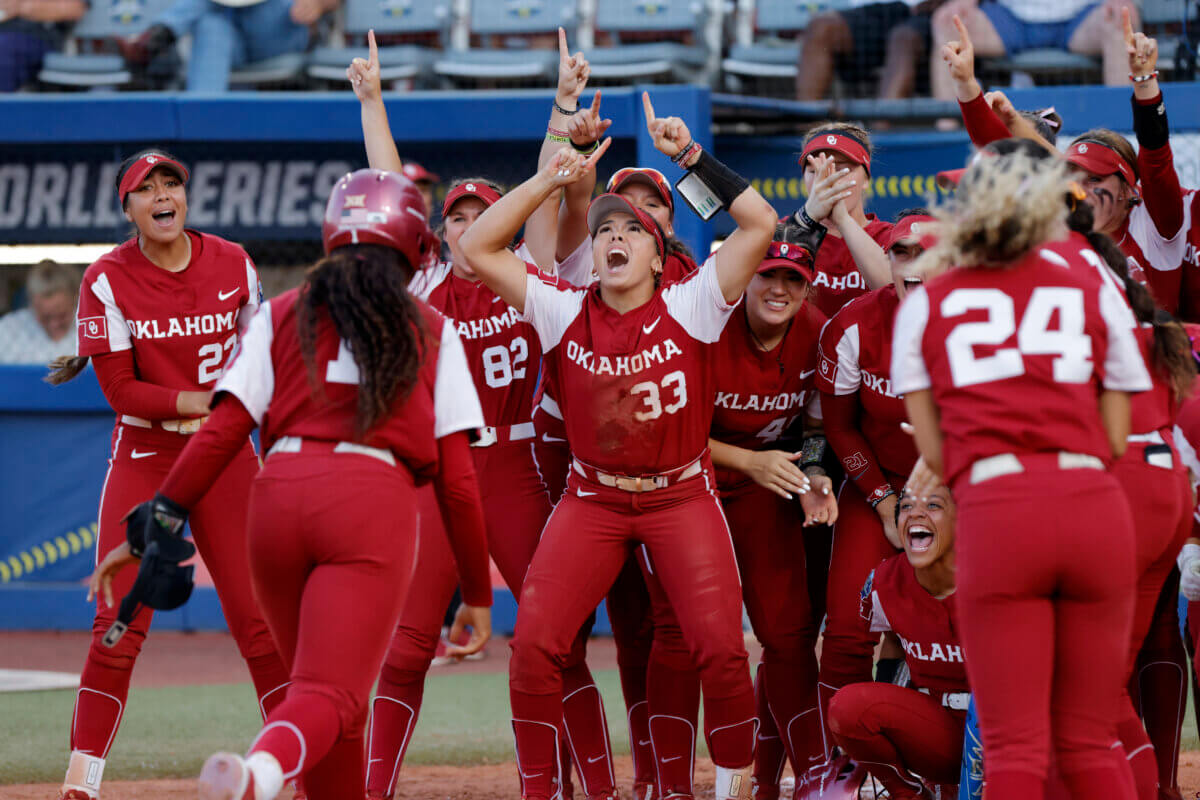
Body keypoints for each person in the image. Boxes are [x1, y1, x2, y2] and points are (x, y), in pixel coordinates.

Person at [88, 169, 493, 800]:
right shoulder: (431, 326)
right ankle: (262, 773)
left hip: (275, 499)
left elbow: (221, 432)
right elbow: (461, 485)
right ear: (417, 244)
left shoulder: (281, 311)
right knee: (331, 692)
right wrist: (476, 592)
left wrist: (159, 519)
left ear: (333, 235)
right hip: (368, 501)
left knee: (327, 697)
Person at [460, 92, 778, 800]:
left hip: (680, 495)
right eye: (603, 228)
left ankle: (727, 787)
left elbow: (760, 223)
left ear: (658, 253)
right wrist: (550, 177)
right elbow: (475, 246)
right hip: (594, 499)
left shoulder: (693, 303)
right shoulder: (563, 306)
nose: (612, 238)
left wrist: (690, 156)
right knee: (534, 649)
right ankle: (541, 791)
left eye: (629, 230)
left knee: (723, 653)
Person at [346, 36, 617, 800]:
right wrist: (373, 103)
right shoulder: (421, 281)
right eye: (458, 215)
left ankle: (590, 788)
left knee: (552, 647)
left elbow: (548, 186)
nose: (468, 224)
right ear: (438, 229)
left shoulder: (526, 274)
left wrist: (562, 107)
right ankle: (372, 789)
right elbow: (388, 182)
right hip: (440, 471)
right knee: (402, 649)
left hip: (519, 467)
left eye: (481, 211)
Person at [893, 148, 1151, 799]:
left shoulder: (930, 299)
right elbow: (1117, 432)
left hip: (999, 509)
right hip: (1094, 502)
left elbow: (936, 451)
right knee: (1090, 739)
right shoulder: (1089, 275)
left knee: (1013, 749)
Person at [45, 150, 289, 800]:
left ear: (185, 196)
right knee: (119, 622)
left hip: (228, 457)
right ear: (127, 209)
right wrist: (208, 401)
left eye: (171, 183)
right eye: (144, 188)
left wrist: (234, 410)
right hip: (148, 458)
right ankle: (82, 782)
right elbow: (122, 391)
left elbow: (263, 353)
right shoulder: (106, 276)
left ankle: (298, 767)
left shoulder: (233, 261)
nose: (161, 194)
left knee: (260, 623)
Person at [1049, 196, 1196, 800]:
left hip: (1121, 490)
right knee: (1102, 683)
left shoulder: (1063, 315)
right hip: (1166, 490)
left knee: (1079, 685)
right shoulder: (1162, 328)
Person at [812, 210, 931, 778]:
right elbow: (838, 426)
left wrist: (937, 502)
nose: (916, 264)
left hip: (956, 489)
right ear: (887, 261)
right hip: (875, 486)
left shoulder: (977, 322)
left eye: (929, 253)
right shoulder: (854, 325)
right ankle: (836, 770)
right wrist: (886, 502)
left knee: (968, 623)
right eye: (903, 252)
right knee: (846, 630)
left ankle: (960, 765)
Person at [827, 484, 963, 800]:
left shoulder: (1001, 575)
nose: (915, 513)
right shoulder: (886, 581)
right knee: (850, 707)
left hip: (1004, 728)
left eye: (933, 505)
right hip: (938, 723)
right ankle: (908, 793)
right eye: (906, 506)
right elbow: (894, 643)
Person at [930, 0, 1138, 107]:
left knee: (1122, 19)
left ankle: (1122, 138)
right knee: (947, 22)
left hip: (1080, 16)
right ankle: (952, 137)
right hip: (1010, 18)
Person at [791, 124, 891, 318]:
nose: (830, 180)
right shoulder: (782, 229)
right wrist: (808, 217)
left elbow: (898, 295)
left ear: (866, 179)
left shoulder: (891, 236)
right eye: (815, 171)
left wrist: (842, 220)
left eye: (842, 169)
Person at [118, 0, 323, 92]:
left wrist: (318, 3)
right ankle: (202, 122)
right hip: (230, 35)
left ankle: (157, 36)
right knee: (210, 25)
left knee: (203, 8)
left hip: (279, 27)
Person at [796, 0, 943, 101]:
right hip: (876, 10)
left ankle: (880, 139)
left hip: (929, 13)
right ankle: (807, 134)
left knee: (902, 39)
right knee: (820, 28)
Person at [0, 259, 78, 364]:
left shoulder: (98, 330)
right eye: (46, 318)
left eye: (62, 316)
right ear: (32, 304)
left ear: (75, 299)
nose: (54, 324)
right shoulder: (6, 331)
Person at [0, 0, 86, 91]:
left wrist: (20, 6)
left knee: (4, 49)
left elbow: (74, 8)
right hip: (6, 35)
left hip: (36, 38)